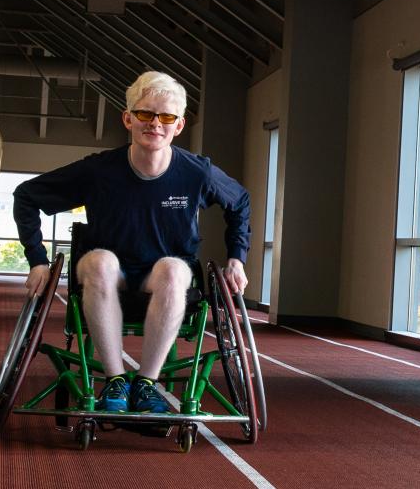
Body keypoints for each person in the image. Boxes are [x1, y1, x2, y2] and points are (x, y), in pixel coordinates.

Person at [13, 71, 250, 415]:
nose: (155, 123)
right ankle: (115, 380)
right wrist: (37, 259)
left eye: (166, 117)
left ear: (178, 126)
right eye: (145, 114)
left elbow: (240, 201)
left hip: (165, 274)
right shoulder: (98, 171)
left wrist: (237, 258)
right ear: (128, 118)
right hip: (110, 272)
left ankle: (146, 383)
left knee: (172, 268)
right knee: (99, 261)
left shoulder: (197, 173)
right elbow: (26, 196)